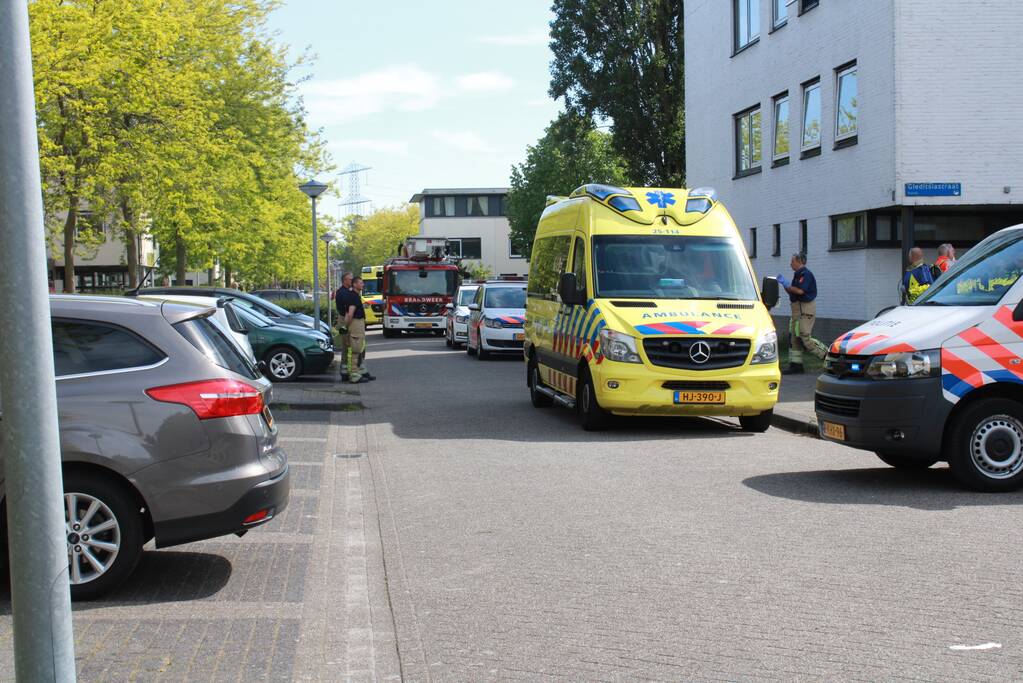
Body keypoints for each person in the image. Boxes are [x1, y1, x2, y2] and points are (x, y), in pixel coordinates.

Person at [777, 253, 827, 374]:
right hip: (797, 311)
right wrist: (785, 285)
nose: (790, 264)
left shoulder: (806, 274)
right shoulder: (797, 275)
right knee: (795, 338)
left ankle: (827, 355)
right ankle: (796, 365)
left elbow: (800, 291)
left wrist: (788, 284)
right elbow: (793, 292)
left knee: (805, 337)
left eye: (792, 262)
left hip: (805, 311)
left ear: (799, 261)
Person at [341, 276, 374, 383]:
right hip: (355, 324)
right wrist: (346, 326)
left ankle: (355, 373)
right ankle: (354, 376)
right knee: (355, 350)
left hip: (356, 324)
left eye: (362, 283)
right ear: (354, 285)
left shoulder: (353, 296)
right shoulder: (353, 297)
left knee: (357, 349)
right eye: (360, 283)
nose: (362, 285)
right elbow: (350, 314)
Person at [335, 271, 354, 379]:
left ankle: (347, 371)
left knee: (348, 347)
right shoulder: (343, 293)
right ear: (345, 280)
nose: (352, 280)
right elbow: (345, 310)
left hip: (346, 320)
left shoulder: (346, 291)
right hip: (345, 321)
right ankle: (345, 372)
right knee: (347, 347)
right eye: (350, 279)